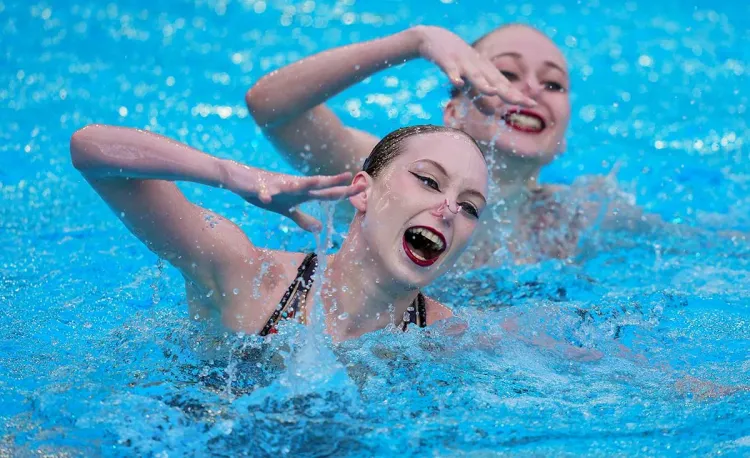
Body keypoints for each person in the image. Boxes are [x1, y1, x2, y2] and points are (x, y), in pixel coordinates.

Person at [246, 24, 643, 265]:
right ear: (454, 112)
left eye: (553, 84)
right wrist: (414, 42)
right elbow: (271, 107)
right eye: (506, 73)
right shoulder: (392, 171)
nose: (532, 89)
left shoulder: (583, 213)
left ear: (561, 141)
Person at [70, 124, 489, 342]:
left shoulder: (447, 336)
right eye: (429, 181)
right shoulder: (250, 280)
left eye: (470, 206)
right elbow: (90, 150)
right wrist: (230, 175)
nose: (450, 209)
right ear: (362, 192)